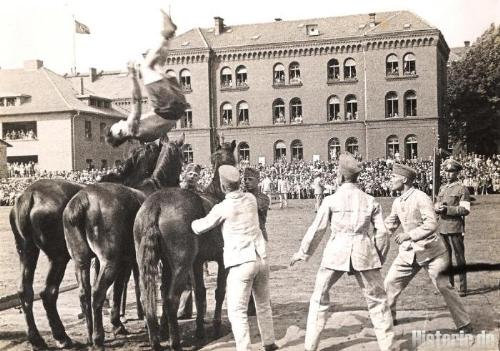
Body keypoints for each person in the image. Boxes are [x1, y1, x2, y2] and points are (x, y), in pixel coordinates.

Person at [290, 153, 394, 351]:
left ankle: (310, 346)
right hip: (364, 251)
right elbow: (383, 233)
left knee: (319, 296)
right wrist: (377, 257)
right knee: (377, 300)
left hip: (336, 251)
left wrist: (303, 253)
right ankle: (387, 346)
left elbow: (317, 229)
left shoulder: (331, 199)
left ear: (340, 175)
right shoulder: (370, 200)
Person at [191, 165, 278, 351]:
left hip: (241, 262)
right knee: (263, 304)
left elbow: (200, 227)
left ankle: (244, 348)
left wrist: (190, 222)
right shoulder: (252, 199)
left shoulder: (222, 207)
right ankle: (269, 342)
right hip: (261, 257)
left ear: (222, 187)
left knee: (236, 311)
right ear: (239, 182)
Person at [383, 163, 472, 332]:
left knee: (444, 286)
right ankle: (389, 318)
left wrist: (409, 235)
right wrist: (374, 234)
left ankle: (465, 323)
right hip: (409, 253)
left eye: (394, 177)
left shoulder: (420, 197)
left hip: (432, 252)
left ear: (404, 179)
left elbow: (431, 224)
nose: (391, 180)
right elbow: (390, 224)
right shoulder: (397, 201)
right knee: (390, 283)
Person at [106, 10, 188, 147]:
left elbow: (159, 127)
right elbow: (136, 101)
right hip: (166, 107)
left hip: (177, 110)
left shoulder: (143, 137)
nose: (120, 121)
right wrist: (132, 76)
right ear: (120, 133)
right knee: (145, 68)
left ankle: (168, 36)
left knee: (155, 65)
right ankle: (167, 33)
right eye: (117, 124)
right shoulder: (131, 128)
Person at [435, 159, 471, 296]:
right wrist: (437, 208)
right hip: (442, 226)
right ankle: (449, 285)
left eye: (451, 172)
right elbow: (437, 204)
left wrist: (447, 209)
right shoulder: (443, 188)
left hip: (455, 227)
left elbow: (465, 210)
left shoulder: (462, 189)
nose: (448, 174)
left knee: (459, 257)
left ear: (457, 173)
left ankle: (463, 288)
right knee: (446, 257)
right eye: (446, 171)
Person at [243, 167, 271, 316]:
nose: (246, 182)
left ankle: (259, 304)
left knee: (259, 274)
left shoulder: (263, 198)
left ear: (258, 181)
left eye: (250, 179)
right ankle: (249, 305)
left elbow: (254, 208)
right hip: (245, 238)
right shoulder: (242, 196)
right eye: (245, 179)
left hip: (259, 237)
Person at [176, 163, 202, 319]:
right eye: (190, 174)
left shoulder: (199, 194)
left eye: (195, 175)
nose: (192, 177)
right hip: (177, 237)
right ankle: (183, 309)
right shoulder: (177, 192)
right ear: (184, 175)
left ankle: (186, 310)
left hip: (194, 238)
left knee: (192, 276)